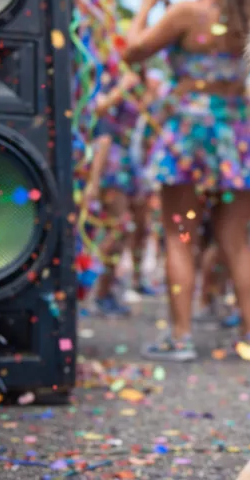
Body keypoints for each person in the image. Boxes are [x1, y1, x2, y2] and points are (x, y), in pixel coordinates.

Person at [119, 0, 250, 361]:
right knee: (237, 239)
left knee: (179, 235)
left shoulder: (187, 13)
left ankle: (181, 337)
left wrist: (146, 5)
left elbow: (132, 53)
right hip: (237, 131)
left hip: (189, 131)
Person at [89, 63, 159, 314]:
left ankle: (106, 290)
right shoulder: (110, 76)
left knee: (130, 228)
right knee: (119, 227)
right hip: (111, 163)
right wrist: (121, 87)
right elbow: (96, 109)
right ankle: (94, 289)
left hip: (131, 164)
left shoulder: (141, 81)